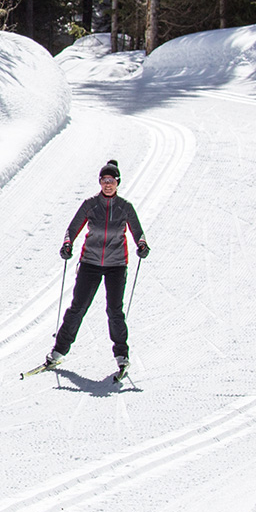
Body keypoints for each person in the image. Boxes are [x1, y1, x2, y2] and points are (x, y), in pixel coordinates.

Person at [40, 159, 148, 376]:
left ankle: (122, 356)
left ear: (118, 183)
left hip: (116, 265)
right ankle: (58, 352)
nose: (108, 184)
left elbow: (138, 231)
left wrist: (142, 245)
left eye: (111, 180)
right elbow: (72, 228)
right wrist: (67, 244)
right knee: (78, 308)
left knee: (114, 310)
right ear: (100, 182)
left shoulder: (125, 207)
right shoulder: (90, 204)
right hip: (90, 263)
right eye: (104, 180)